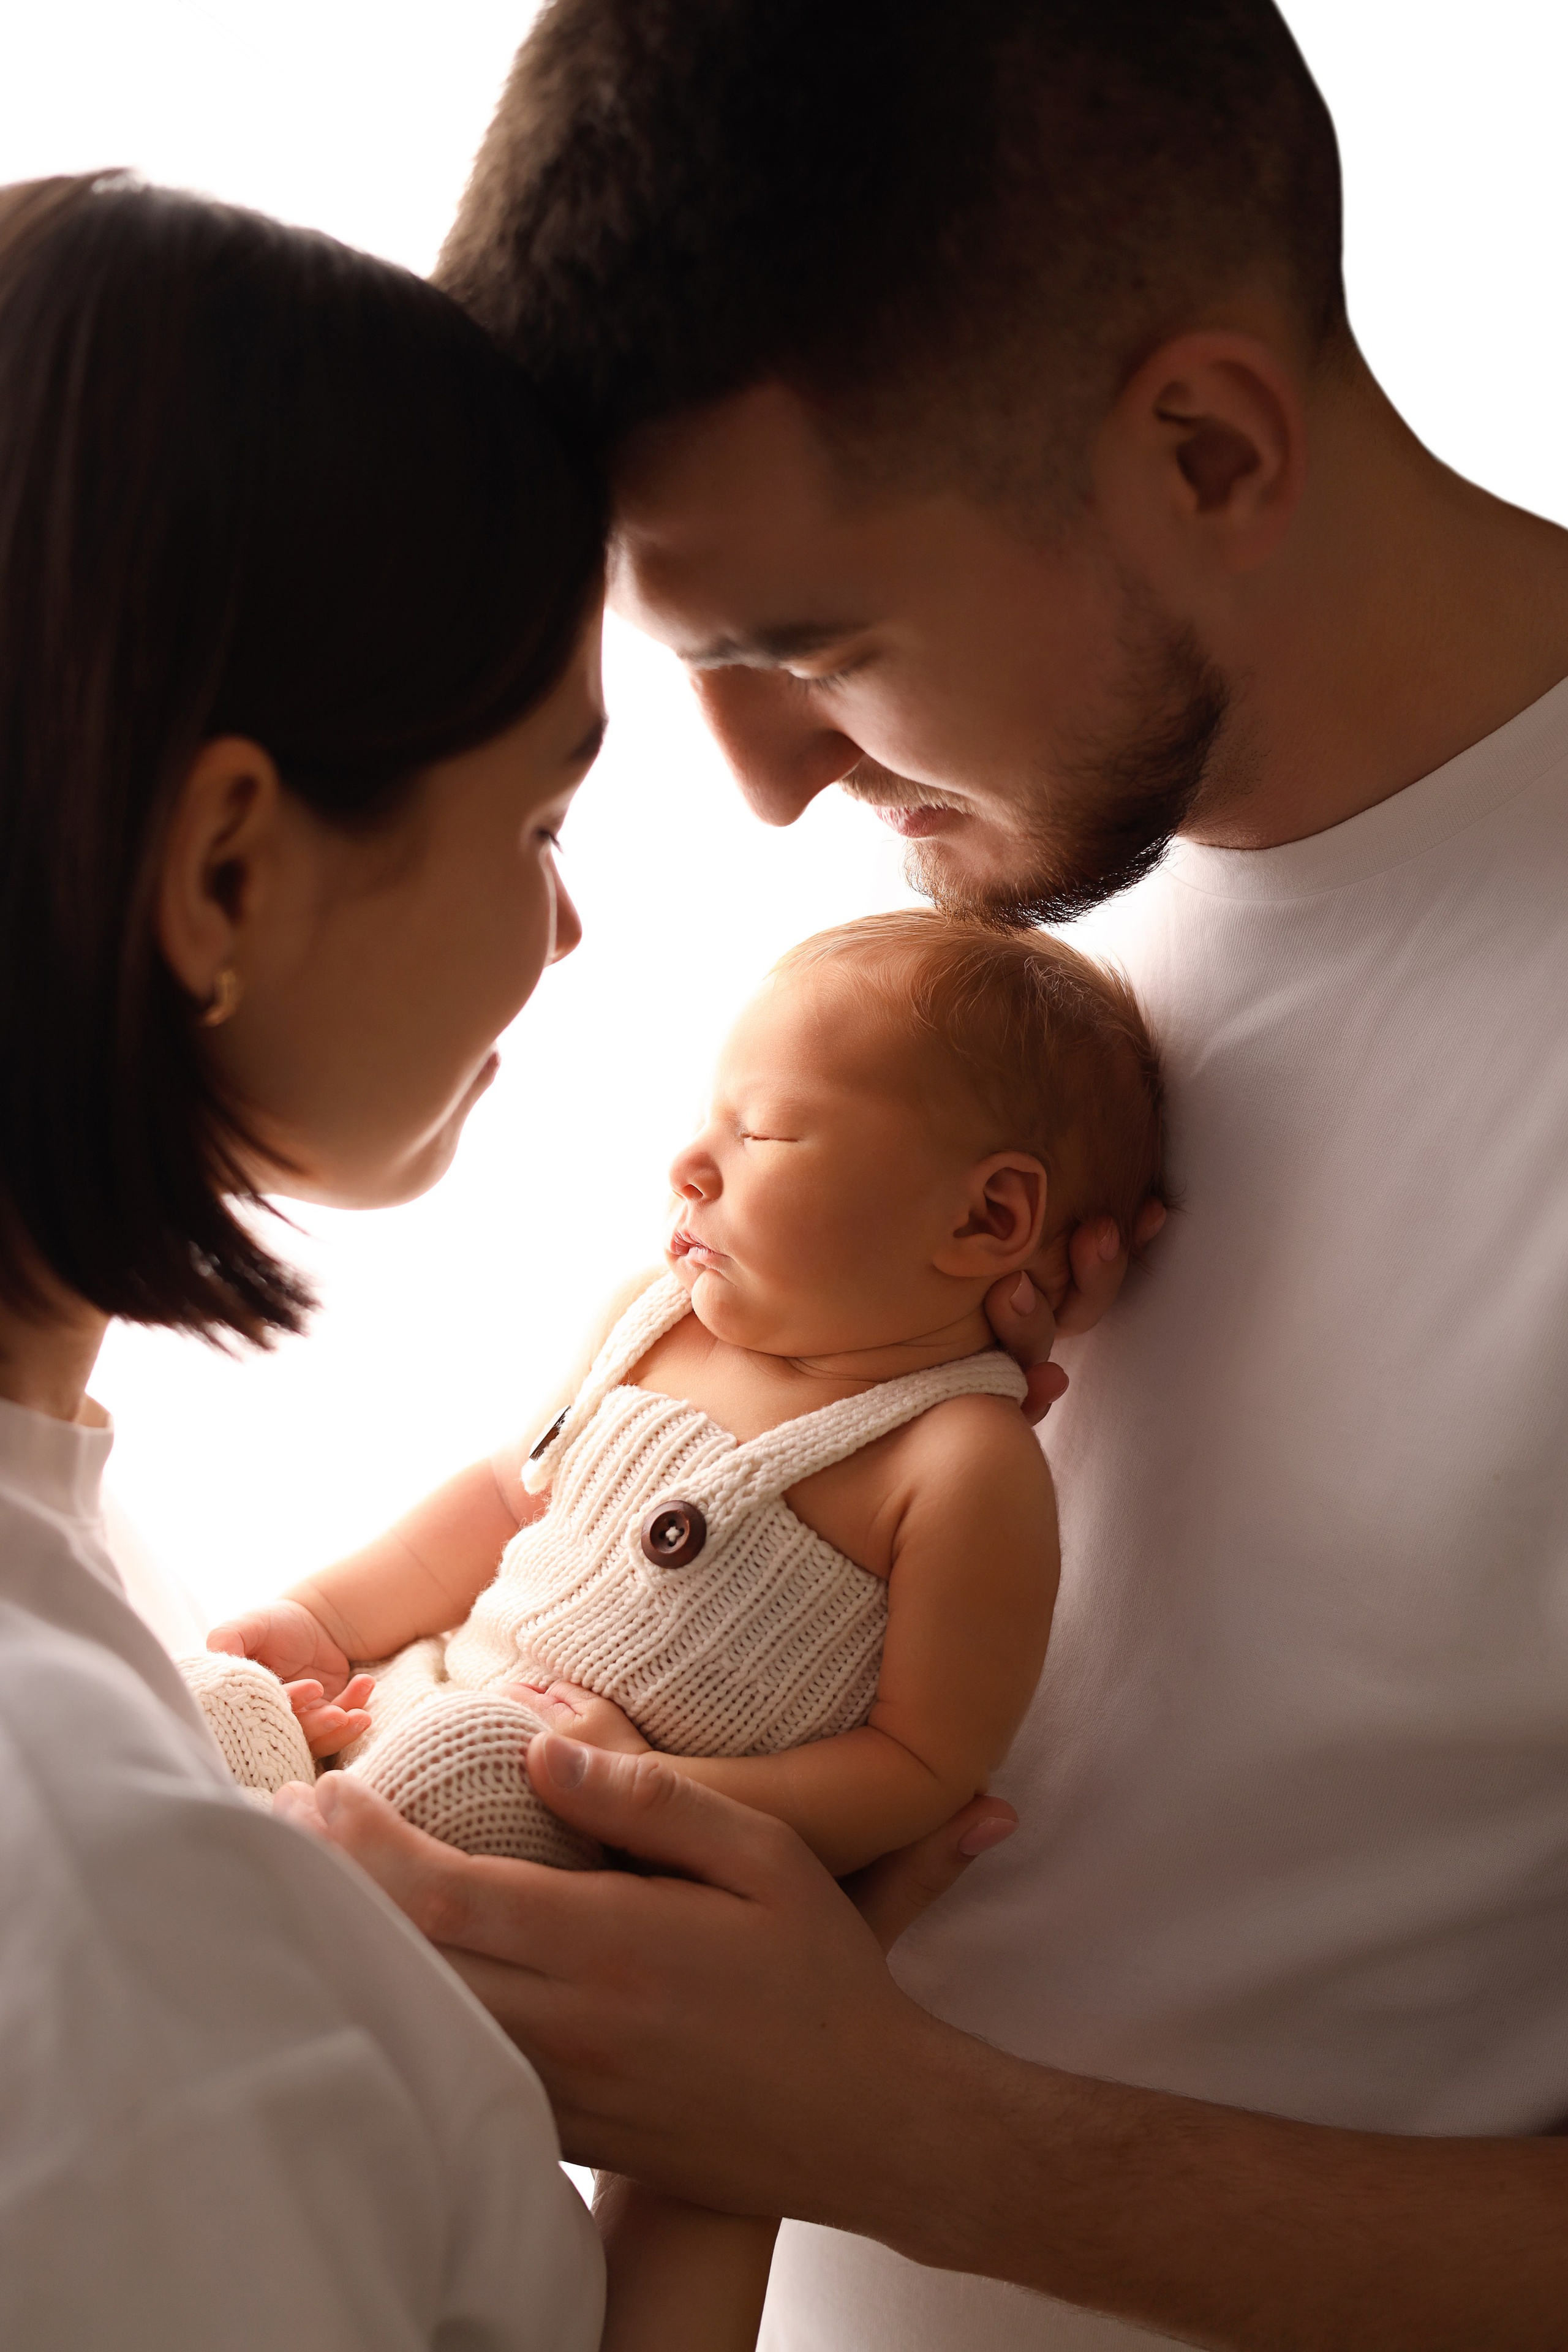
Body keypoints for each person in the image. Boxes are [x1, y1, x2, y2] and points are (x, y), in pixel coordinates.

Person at [298, 2, 1568, 2346]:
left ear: (1206, 447)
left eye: (815, 652)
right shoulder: (985, 930)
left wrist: (913, 2145)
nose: (768, 788)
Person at [0, 170, 1054, 2349]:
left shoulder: (96, 1660)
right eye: (541, 821)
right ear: (222, 871)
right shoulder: (105, 1916)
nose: (566, 933)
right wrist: (767, 2140)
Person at [194, 916, 1157, 1892]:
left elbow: (918, 1768)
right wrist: (323, 1621)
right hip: (414, 1695)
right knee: (209, 1700)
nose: (688, 1165)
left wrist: (648, 1785)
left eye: (761, 1132)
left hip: (579, 1832)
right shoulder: (654, 1323)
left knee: (453, 1770)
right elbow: (504, 1497)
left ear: (986, 1216)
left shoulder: (957, 1461)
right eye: (707, 1118)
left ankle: (283, 1912)